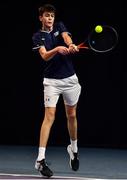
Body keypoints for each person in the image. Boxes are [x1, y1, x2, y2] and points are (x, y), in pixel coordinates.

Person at [32, 3, 81, 178]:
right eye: (46, 15)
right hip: (51, 82)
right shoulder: (38, 36)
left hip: (69, 79)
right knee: (49, 116)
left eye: (51, 15)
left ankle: (73, 149)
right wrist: (58, 49)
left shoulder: (60, 26)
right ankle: (40, 160)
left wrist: (71, 44)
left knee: (72, 115)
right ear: (41, 18)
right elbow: (45, 55)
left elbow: (67, 38)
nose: (50, 18)